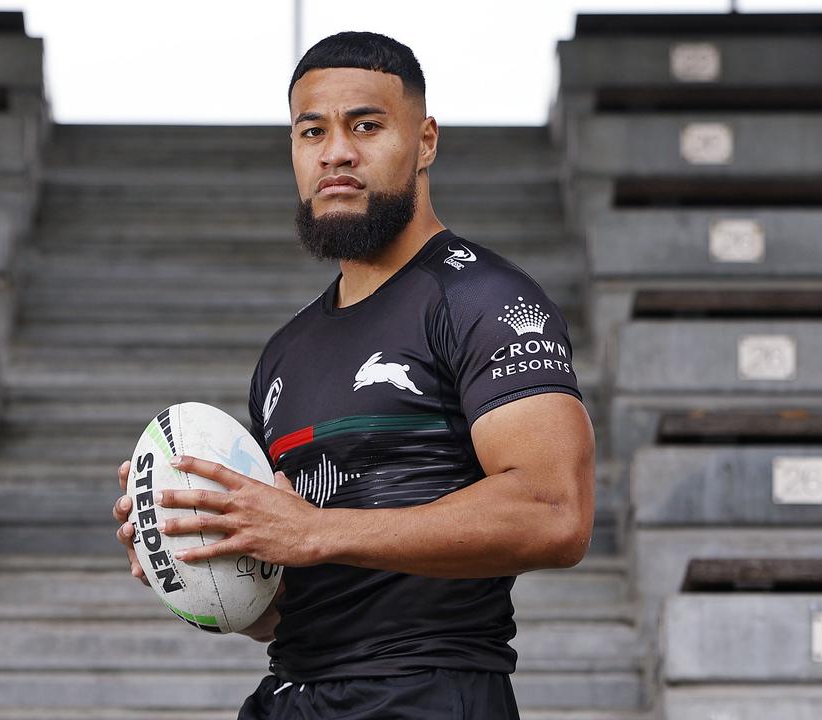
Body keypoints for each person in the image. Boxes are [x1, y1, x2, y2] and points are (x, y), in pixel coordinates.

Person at [112, 30, 595, 719]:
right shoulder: (285, 351)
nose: (336, 151)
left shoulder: (485, 300)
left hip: (428, 692)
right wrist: (198, 554)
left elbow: (556, 514)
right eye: (312, 132)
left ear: (425, 141)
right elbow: (283, 609)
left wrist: (317, 530)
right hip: (293, 696)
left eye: (365, 125)